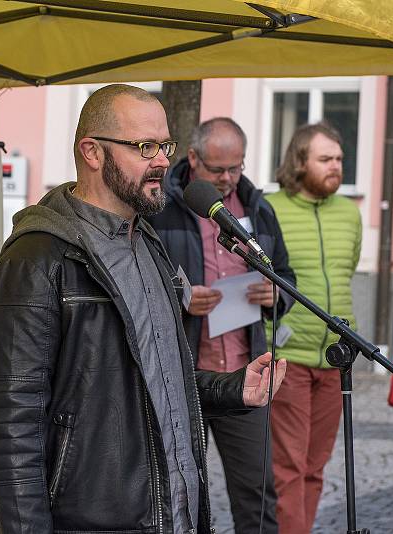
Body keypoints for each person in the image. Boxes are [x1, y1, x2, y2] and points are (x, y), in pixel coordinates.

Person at [0, 84, 287, 534]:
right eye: (145, 147)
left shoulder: (149, 246)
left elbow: (157, 381)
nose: (162, 160)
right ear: (92, 152)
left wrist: (232, 389)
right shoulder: (35, 262)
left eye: (165, 145)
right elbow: (12, 431)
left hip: (172, 516)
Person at [148, 117, 295, 534]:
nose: (228, 178)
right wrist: (181, 297)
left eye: (236, 168)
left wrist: (276, 295)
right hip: (183, 374)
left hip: (243, 372)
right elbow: (141, 279)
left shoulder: (259, 210)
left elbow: (284, 273)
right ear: (193, 159)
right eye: (217, 170)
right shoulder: (161, 207)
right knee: (180, 496)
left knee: (258, 493)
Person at [265, 122, 362, 533]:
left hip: (337, 357)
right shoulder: (270, 208)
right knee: (288, 466)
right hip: (290, 355)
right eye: (326, 159)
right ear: (300, 161)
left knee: (316, 466)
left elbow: (348, 270)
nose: (336, 167)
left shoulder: (350, 213)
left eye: (339, 159)